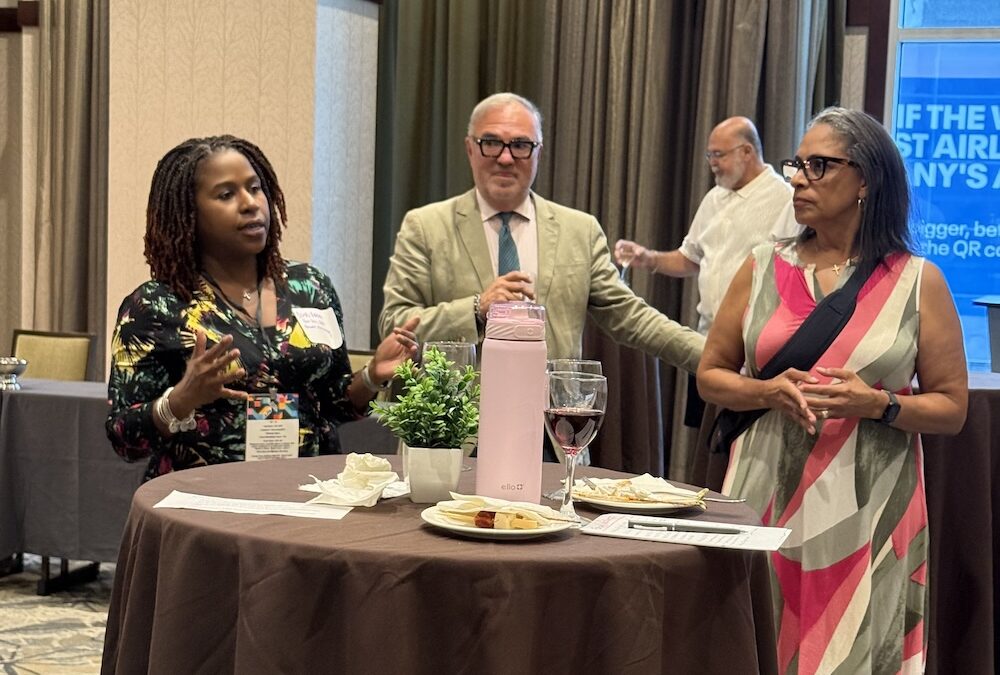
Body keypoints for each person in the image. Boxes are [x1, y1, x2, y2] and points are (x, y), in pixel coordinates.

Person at [697, 107, 968, 672]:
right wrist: (768, 392)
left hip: (869, 505)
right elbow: (711, 375)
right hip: (764, 491)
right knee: (756, 645)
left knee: (855, 652)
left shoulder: (918, 282)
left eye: (819, 166)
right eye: (797, 164)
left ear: (866, 179)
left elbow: (951, 408)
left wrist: (879, 404)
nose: (798, 179)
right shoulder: (761, 266)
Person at [107, 135, 419, 481]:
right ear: (188, 213)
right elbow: (123, 438)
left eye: (255, 188)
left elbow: (333, 405)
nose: (250, 203)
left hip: (308, 491)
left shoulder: (310, 287)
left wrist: (371, 376)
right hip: (205, 497)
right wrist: (180, 400)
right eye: (226, 194)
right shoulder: (154, 306)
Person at [378, 92, 703, 374]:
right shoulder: (425, 227)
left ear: (538, 152)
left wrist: (713, 358)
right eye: (491, 143)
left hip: (552, 420)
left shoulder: (580, 231)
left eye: (521, 145)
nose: (506, 158)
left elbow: (634, 319)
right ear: (469, 149)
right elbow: (394, 323)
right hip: (456, 423)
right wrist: (476, 309)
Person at [614, 117, 798, 426]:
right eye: (709, 155)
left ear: (747, 152)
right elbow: (690, 259)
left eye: (719, 155)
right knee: (704, 435)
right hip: (708, 343)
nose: (712, 163)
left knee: (739, 439)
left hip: (751, 352)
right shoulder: (714, 198)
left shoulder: (784, 199)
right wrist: (648, 258)